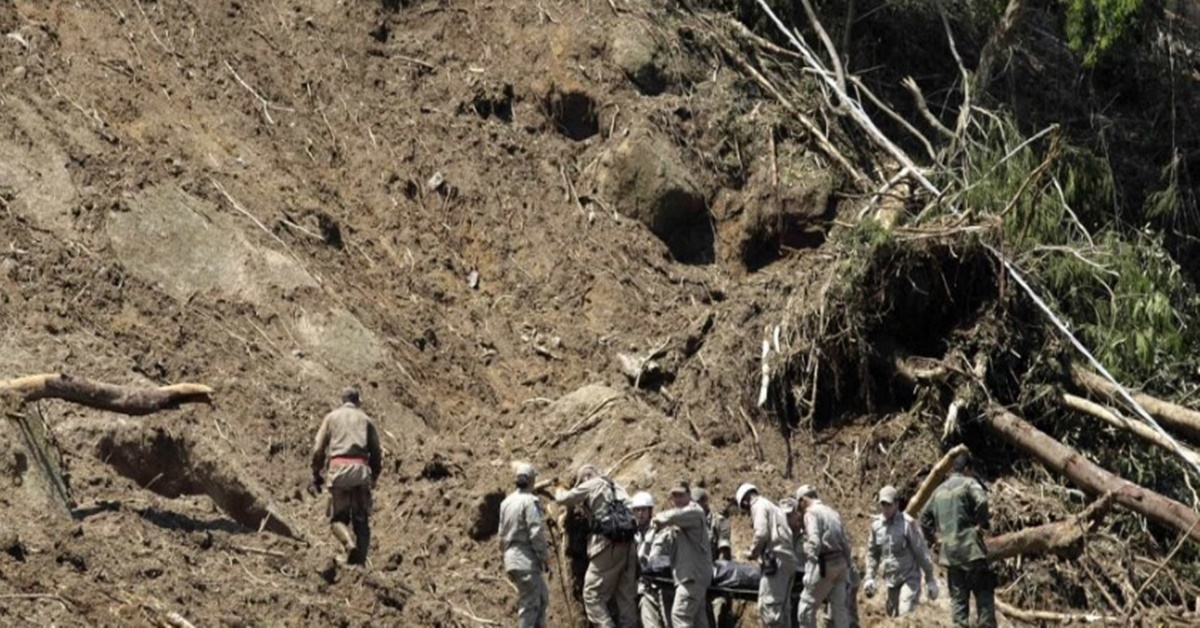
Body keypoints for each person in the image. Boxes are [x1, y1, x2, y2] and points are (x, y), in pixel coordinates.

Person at [555, 464, 638, 628]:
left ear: (586, 477)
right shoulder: (616, 486)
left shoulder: (591, 483)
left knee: (592, 594)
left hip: (607, 544)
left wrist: (559, 488)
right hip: (629, 543)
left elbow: (563, 499)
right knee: (625, 596)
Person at [920, 454, 995, 628]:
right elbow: (982, 501)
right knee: (984, 599)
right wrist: (981, 524)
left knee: (959, 605)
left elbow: (924, 518)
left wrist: (935, 540)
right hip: (972, 551)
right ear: (968, 469)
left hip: (951, 555)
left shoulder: (938, 491)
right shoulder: (969, 483)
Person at [309, 387, 382, 565]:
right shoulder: (366, 419)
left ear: (342, 400)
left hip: (338, 470)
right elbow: (376, 452)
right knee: (362, 521)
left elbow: (318, 448)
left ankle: (349, 545)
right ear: (358, 401)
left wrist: (316, 471)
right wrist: (374, 476)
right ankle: (360, 564)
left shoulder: (331, 418)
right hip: (360, 471)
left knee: (338, 519)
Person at [864, 485, 937, 617]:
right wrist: (869, 577)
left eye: (889, 505)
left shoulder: (907, 524)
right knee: (892, 616)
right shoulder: (876, 526)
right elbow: (872, 553)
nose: (886, 509)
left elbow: (921, 552)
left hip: (909, 577)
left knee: (905, 613)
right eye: (883, 505)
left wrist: (930, 579)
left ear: (897, 504)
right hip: (891, 581)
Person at [653, 482, 713, 628]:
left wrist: (657, 519)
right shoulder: (681, 519)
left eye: (681, 495)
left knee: (680, 615)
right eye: (674, 496)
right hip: (691, 577)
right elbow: (664, 540)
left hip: (691, 577)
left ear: (689, 496)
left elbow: (671, 516)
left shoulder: (693, 512)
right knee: (699, 621)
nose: (677, 500)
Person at [736, 483, 796, 627]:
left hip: (776, 560)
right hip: (788, 559)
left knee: (769, 608)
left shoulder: (758, 506)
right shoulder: (774, 508)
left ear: (745, 501)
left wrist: (752, 552)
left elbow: (761, 533)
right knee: (783, 609)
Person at [499, 463, 550, 628]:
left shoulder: (506, 503)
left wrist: (505, 557)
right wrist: (544, 556)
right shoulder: (529, 502)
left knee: (542, 596)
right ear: (531, 481)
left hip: (512, 559)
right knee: (530, 604)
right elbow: (535, 532)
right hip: (525, 560)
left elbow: (501, 535)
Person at [794, 485, 850, 628]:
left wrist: (810, 568)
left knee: (805, 609)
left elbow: (814, 541)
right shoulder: (833, 512)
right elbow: (845, 543)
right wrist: (848, 568)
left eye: (798, 504)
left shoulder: (811, 513)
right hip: (841, 565)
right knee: (840, 612)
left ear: (802, 500)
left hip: (825, 565)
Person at [632, 491, 668, 628]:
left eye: (643, 509)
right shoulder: (632, 533)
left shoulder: (658, 530)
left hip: (658, 585)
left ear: (650, 511)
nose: (640, 513)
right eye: (636, 510)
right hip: (639, 587)